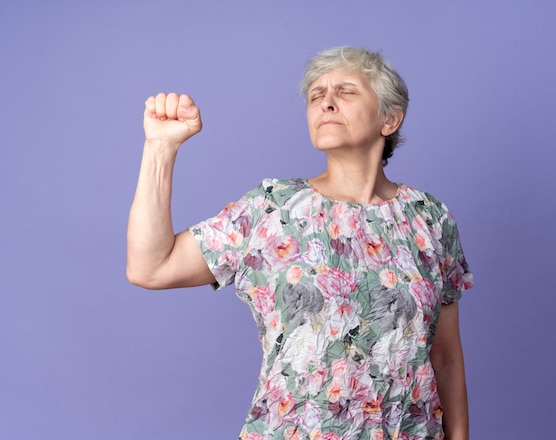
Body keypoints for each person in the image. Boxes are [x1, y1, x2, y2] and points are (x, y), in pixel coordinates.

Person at [127, 46, 474, 439]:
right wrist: (160, 148)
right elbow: (150, 266)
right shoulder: (272, 210)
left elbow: (444, 356)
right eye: (315, 95)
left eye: (345, 92)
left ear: (390, 119)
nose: (325, 102)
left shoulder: (429, 218)